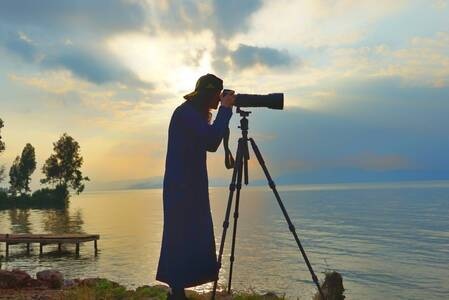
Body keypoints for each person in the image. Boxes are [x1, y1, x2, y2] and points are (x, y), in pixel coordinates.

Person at [156, 74, 235, 300]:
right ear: (208, 94)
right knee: (182, 237)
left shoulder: (190, 113)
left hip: (187, 186)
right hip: (183, 189)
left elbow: (210, 140)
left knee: (188, 237)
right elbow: (211, 142)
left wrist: (224, 112)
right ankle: (176, 291)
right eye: (217, 95)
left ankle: (177, 291)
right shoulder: (187, 113)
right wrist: (226, 111)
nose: (219, 100)